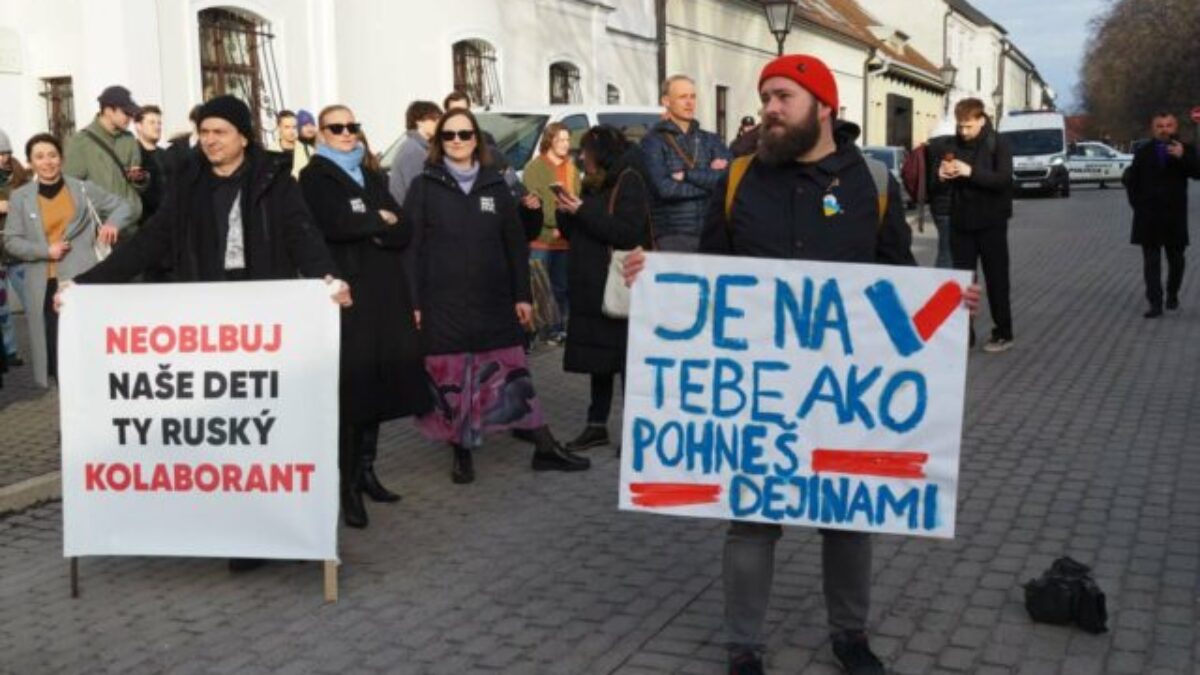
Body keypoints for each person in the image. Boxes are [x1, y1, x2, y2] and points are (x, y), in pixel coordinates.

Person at [624, 54, 980, 675]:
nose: (769, 108)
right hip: (759, 391)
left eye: (783, 97)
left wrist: (943, 308)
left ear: (823, 107)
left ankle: (850, 636)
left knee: (847, 515)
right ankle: (743, 647)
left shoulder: (871, 183)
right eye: (766, 97)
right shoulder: (739, 178)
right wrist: (656, 278)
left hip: (842, 389)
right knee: (752, 519)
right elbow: (710, 277)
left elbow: (897, 278)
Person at [404, 108, 590, 483]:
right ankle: (462, 452)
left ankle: (544, 446)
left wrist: (522, 295)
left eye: (465, 134)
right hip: (443, 303)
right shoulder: (424, 186)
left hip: (493, 300)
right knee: (454, 377)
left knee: (512, 371)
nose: (457, 141)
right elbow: (411, 249)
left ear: (477, 139)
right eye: (449, 135)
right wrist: (414, 302)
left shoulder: (494, 184)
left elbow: (514, 244)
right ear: (439, 142)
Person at [299, 104, 432, 528]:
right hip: (349, 295)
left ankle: (367, 471)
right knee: (352, 392)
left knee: (377, 386)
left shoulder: (369, 173)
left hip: (385, 293)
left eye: (351, 126)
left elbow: (404, 226)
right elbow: (335, 223)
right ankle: (347, 487)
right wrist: (378, 220)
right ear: (321, 134)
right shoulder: (315, 176)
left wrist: (375, 223)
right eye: (336, 127)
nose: (346, 132)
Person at [4, 134, 135, 388]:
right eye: (39, 157)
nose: (47, 162)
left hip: (82, 279)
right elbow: (11, 240)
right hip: (44, 285)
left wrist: (112, 223)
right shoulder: (20, 197)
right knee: (56, 350)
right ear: (30, 163)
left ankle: (92, 396)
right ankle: (69, 402)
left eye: (52, 155)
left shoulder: (83, 188)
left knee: (86, 343)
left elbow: (123, 206)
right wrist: (45, 250)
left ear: (61, 159)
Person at [552, 126, 652, 452]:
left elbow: (626, 232)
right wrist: (566, 211)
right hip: (591, 285)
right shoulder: (595, 182)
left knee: (625, 361)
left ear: (602, 152)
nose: (582, 158)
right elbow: (579, 229)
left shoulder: (629, 179)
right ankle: (596, 425)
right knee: (600, 361)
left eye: (586, 151)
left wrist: (582, 211)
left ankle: (635, 430)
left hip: (616, 283)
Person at [939, 98, 1014, 352]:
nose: (963, 131)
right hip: (961, 224)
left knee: (997, 280)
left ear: (981, 120)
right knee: (963, 282)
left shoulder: (998, 143)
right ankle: (964, 334)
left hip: (992, 224)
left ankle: (1003, 332)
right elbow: (939, 184)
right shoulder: (951, 145)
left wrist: (970, 172)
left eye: (968, 126)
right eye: (960, 126)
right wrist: (942, 176)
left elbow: (1003, 179)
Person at [640, 74, 731, 252]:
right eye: (683, 97)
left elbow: (727, 179)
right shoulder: (653, 142)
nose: (689, 102)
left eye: (692, 96)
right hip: (674, 233)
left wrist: (688, 175)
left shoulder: (710, 139)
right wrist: (709, 182)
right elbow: (665, 189)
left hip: (712, 230)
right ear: (666, 101)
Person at [1123, 111, 1200, 317]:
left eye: (1168, 125)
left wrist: (1183, 157)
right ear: (1153, 129)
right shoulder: (1143, 152)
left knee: (1177, 261)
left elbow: (1197, 173)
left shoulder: (1186, 149)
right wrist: (1138, 205)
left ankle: (1172, 293)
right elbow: (1131, 180)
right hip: (1148, 217)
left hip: (1174, 216)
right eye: (1160, 126)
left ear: (1175, 127)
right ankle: (1155, 303)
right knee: (1151, 263)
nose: (1164, 130)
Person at [521, 122, 578, 342]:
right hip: (541, 239)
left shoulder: (572, 168)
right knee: (539, 288)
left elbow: (576, 200)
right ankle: (539, 332)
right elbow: (535, 204)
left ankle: (558, 329)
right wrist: (554, 224)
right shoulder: (534, 168)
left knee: (561, 287)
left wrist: (566, 225)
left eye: (567, 139)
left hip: (565, 239)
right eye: (560, 139)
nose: (565, 144)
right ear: (549, 141)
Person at [63, 85, 149, 227]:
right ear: (108, 110)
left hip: (131, 225)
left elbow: (136, 184)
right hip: (102, 228)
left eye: (131, 113)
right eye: (126, 113)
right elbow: (71, 187)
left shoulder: (129, 139)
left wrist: (140, 180)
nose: (130, 118)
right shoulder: (81, 142)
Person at [1, 128, 31, 368]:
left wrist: (12, 205)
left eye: (6, 152)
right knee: (2, 310)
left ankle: (50, 347)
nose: (4, 158)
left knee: (35, 303)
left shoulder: (21, 177)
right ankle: (9, 351)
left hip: (19, 251)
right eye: (0, 153)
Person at [387, 100, 442, 208]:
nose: (438, 122)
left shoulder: (420, 147)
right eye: (434, 119)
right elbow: (419, 194)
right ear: (419, 121)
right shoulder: (413, 150)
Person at [269, 109, 299, 175]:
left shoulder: (306, 150)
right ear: (279, 128)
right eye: (287, 127)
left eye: (294, 127)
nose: (292, 131)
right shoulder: (270, 152)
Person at [291, 109, 318, 179]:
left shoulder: (321, 144)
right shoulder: (294, 147)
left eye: (312, 125)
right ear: (298, 128)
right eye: (305, 125)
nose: (310, 128)